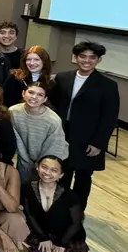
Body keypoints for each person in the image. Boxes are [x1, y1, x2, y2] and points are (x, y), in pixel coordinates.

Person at [50, 41, 119, 209]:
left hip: (88, 139)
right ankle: (59, 209)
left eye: (92, 58)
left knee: (83, 177)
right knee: (61, 174)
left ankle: (77, 213)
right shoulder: (62, 77)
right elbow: (53, 104)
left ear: (98, 60)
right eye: (82, 56)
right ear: (75, 58)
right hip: (63, 135)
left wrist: (98, 143)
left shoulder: (108, 85)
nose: (87, 61)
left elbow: (109, 117)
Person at [21, 155, 89, 252]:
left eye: (54, 170)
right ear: (37, 167)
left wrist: (61, 243)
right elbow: (29, 214)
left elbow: (76, 223)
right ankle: (37, 249)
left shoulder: (70, 196)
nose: (47, 172)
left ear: (61, 175)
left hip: (66, 235)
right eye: (44, 167)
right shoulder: (27, 188)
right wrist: (43, 238)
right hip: (43, 232)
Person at [9, 82, 69, 182]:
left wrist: (41, 165)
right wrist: (26, 161)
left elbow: (54, 147)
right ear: (23, 93)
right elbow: (17, 140)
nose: (34, 97)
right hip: (25, 158)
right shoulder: (13, 112)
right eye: (31, 92)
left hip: (49, 161)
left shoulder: (53, 120)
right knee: (23, 189)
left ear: (45, 99)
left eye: (40, 95)